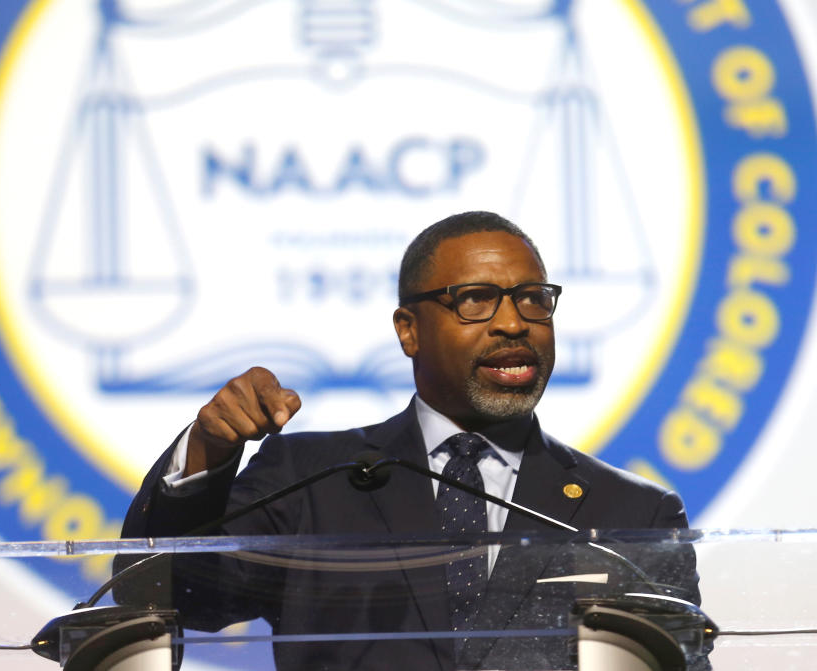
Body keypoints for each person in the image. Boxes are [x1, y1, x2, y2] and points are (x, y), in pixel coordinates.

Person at [120, 211, 702, 670]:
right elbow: (163, 593)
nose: (513, 322)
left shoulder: (635, 513)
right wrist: (207, 451)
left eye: (534, 299)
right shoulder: (310, 479)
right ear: (408, 330)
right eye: (475, 299)